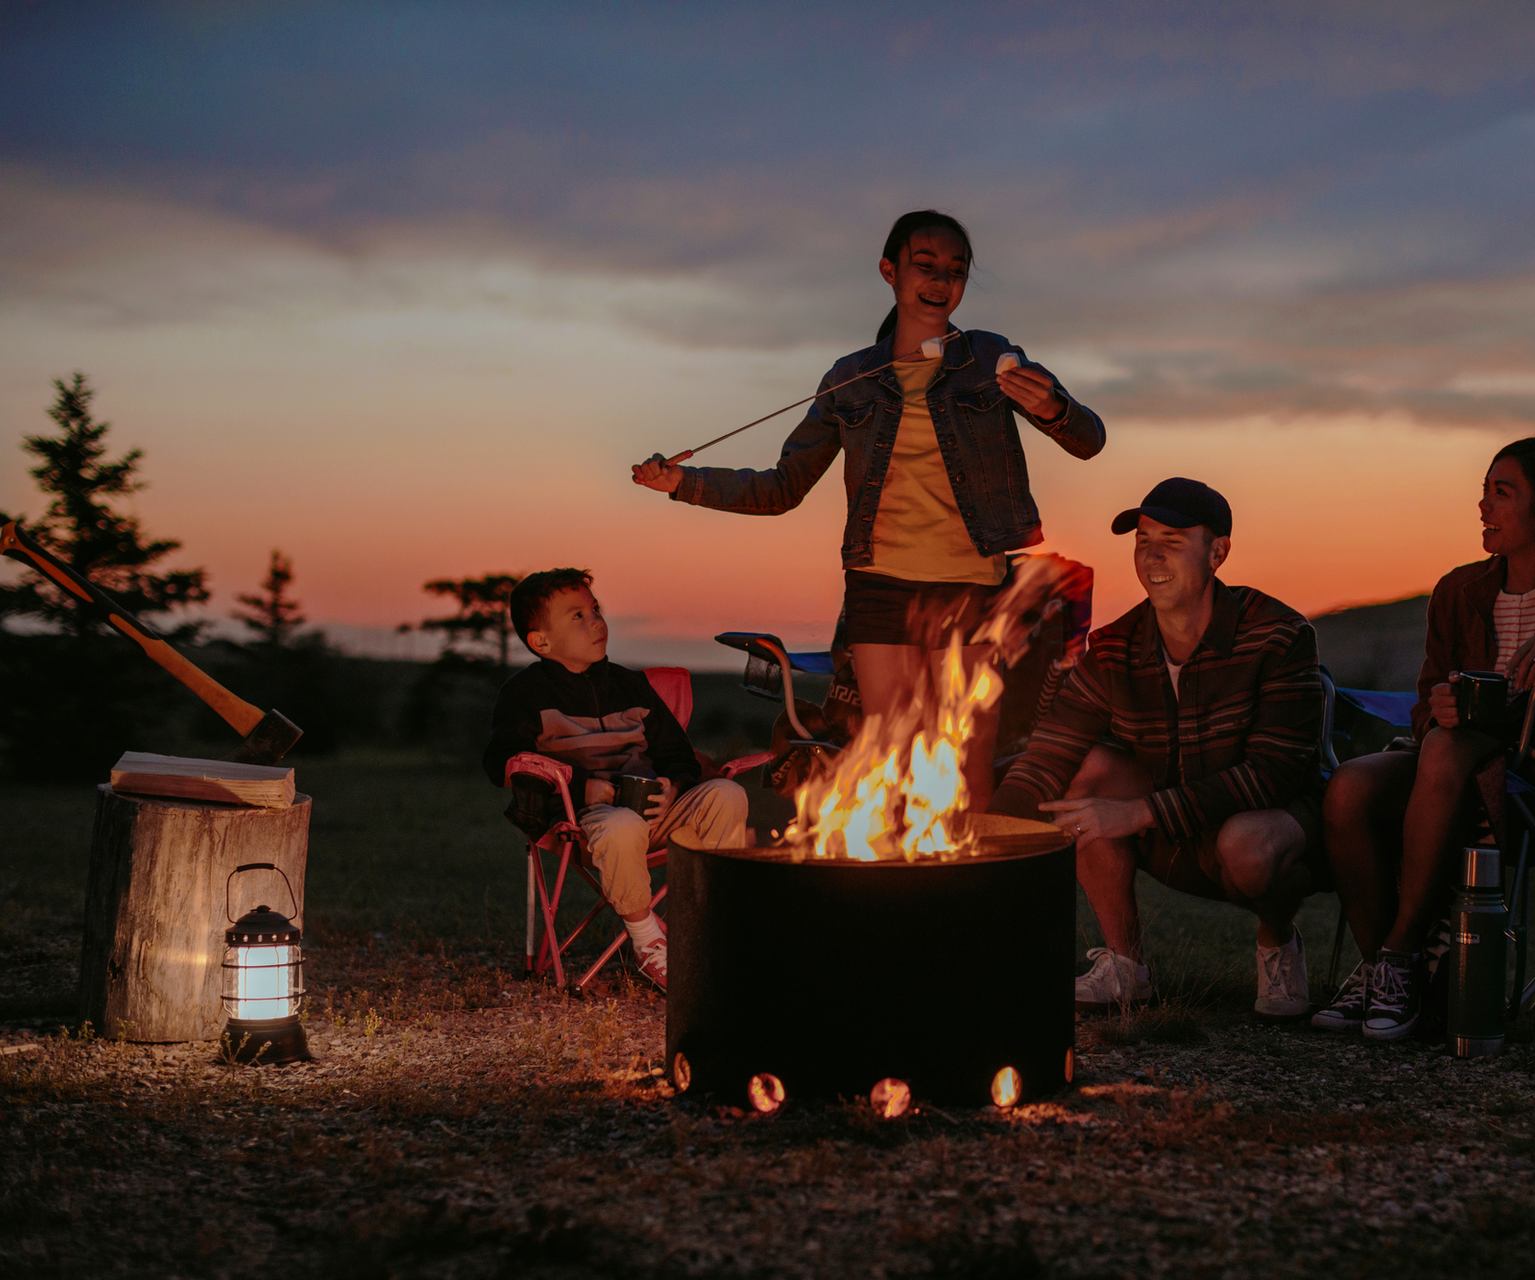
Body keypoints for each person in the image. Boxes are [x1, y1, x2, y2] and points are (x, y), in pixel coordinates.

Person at [632, 210, 1105, 805]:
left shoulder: (990, 358)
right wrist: (681, 481)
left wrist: (1056, 408)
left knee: (966, 765)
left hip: (970, 582)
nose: (940, 282)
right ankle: (903, 884)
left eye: (956, 272)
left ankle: (968, 891)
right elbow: (782, 488)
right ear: (890, 271)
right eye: (925, 266)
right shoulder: (850, 379)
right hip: (879, 586)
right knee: (894, 758)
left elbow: (1089, 441)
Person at [1313, 435, 1535, 1041]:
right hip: (1450, 763)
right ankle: (1386, 977)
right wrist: (1439, 708)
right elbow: (1428, 701)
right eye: (1483, 492)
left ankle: (1396, 957)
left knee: (1448, 750)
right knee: (1349, 786)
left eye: (1501, 494)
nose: (1483, 506)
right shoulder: (1459, 591)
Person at [989, 479, 1326, 1018]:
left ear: (1217, 552)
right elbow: (1049, 751)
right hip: (1173, 827)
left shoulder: (1278, 635)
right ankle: (1127, 969)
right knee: (1086, 771)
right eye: (1143, 540)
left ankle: (1277, 939)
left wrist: (1140, 812)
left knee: (1247, 844)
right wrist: (986, 837)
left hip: (1270, 827)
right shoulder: (1116, 647)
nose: (1151, 555)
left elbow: (1275, 772)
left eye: (1171, 539)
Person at [482, 568, 748, 991]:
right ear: (541, 641)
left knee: (727, 794)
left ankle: (702, 929)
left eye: (596, 610)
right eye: (578, 616)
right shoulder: (525, 694)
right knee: (621, 825)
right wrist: (579, 787)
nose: (596, 621)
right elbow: (503, 763)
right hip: (584, 822)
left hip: (656, 814)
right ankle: (648, 943)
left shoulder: (632, 685)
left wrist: (672, 786)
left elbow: (677, 754)